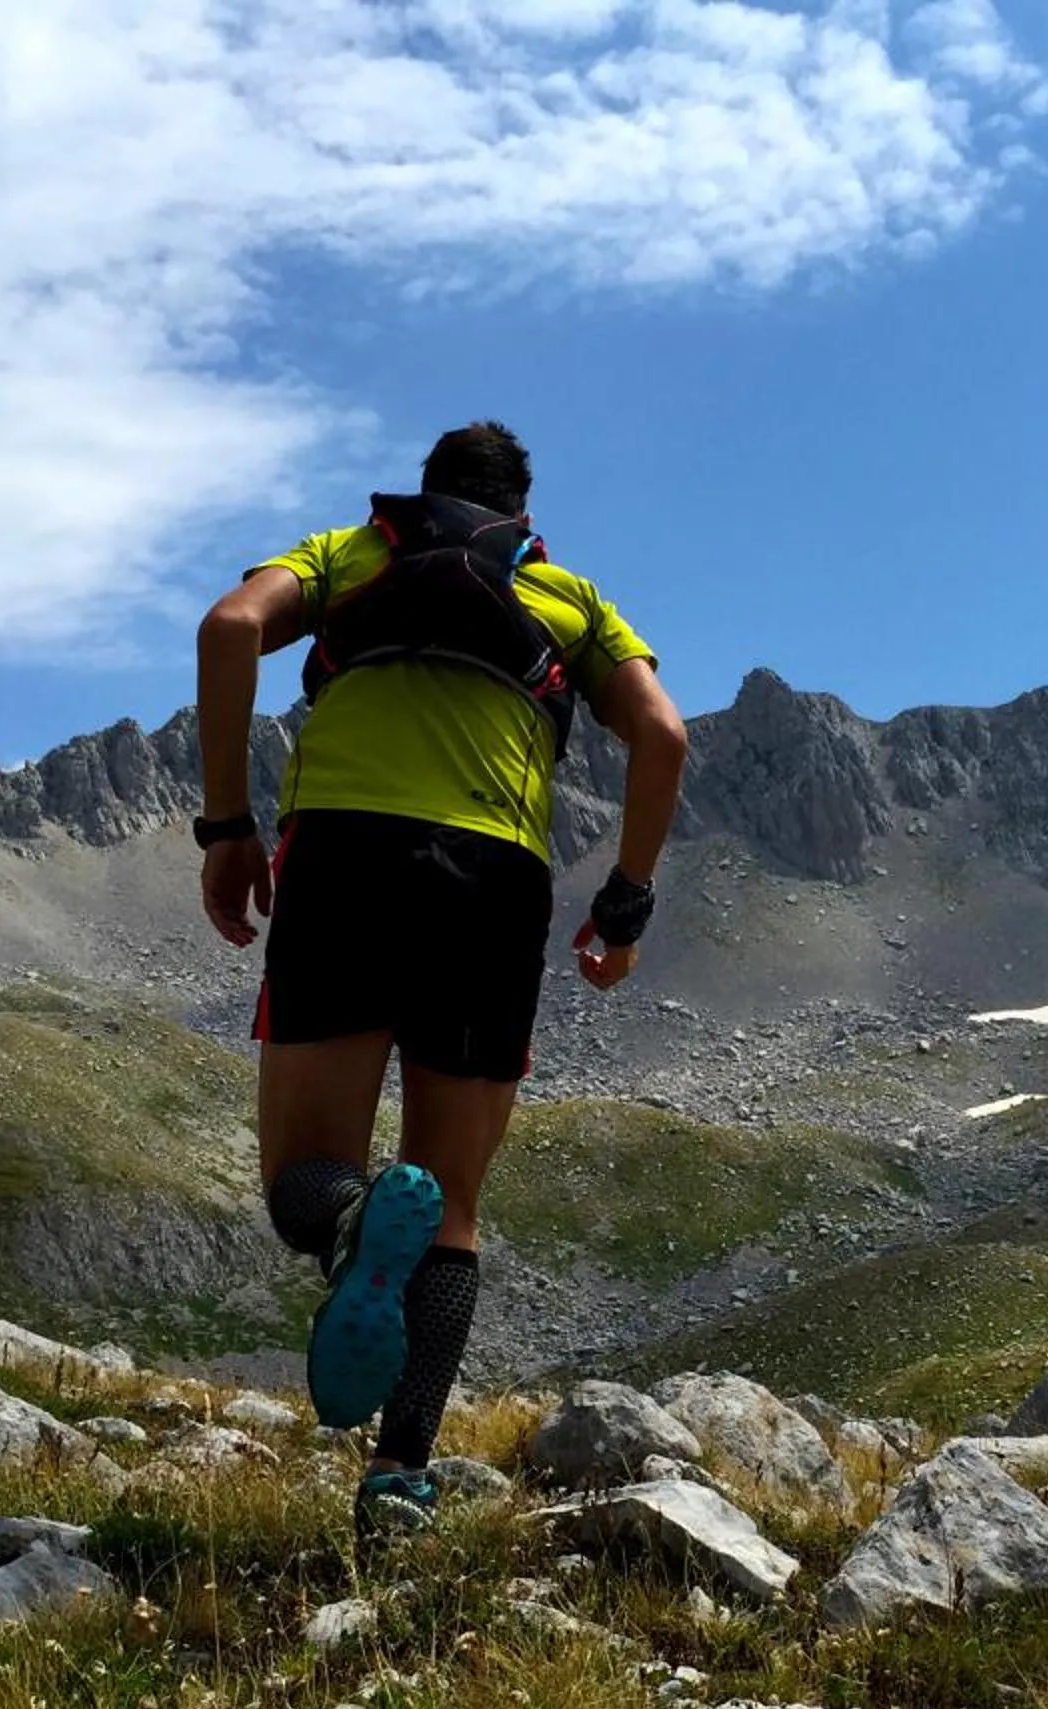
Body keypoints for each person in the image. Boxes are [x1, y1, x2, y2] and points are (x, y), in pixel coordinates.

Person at [192, 421, 689, 1547]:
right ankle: (399, 1481)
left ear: (419, 496)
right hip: (494, 880)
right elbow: (662, 737)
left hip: (345, 858)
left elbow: (229, 629)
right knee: (453, 1206)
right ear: (523, 510)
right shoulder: (571, 596)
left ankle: (356, 1214)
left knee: (302, 1180)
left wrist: (227, 828)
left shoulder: (346, 554)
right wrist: (625, 904)